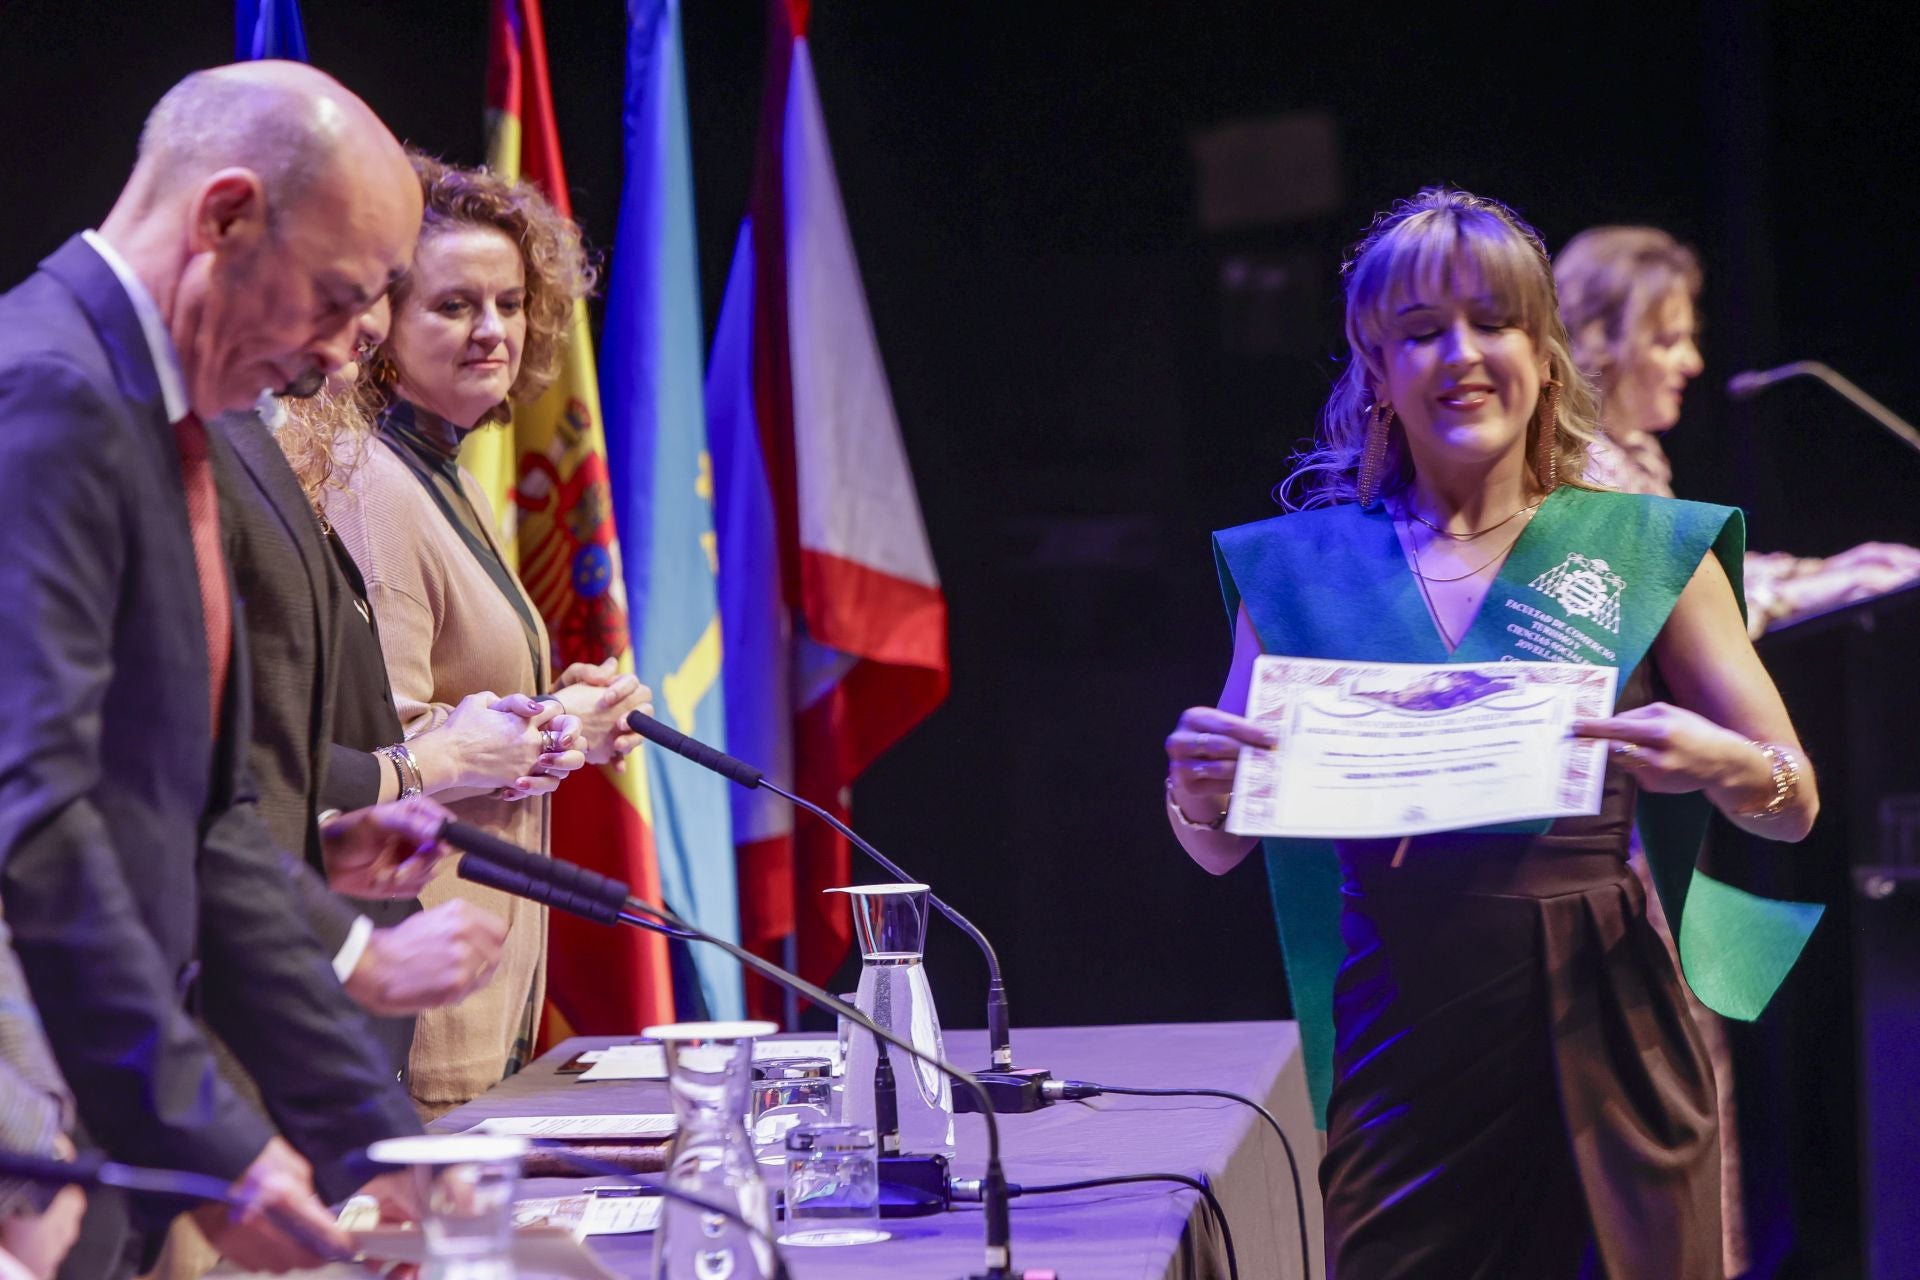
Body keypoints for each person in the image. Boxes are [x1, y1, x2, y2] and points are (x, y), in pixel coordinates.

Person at [1164, 188, 1821, 1278]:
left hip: (1612, 1025)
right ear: (1376, 371)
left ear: (1546, 353)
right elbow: (1218, 841)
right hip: (1403, 1041)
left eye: (1493, 321)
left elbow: (1795, 801)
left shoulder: (1649, 546)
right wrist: (1193, 788)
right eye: (1420, 333)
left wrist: (1726, 763)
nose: (1460, 355)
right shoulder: (1299, 570)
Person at [0, 62, 441, 1278]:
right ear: (226, 215)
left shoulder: (156, 411)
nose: (345, 356)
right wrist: (214, 1142)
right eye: (339, 300)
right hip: (45, 1136)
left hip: (114, 1131)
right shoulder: (46, 394)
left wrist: (380, 1144)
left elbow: (211, 825)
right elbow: (35, 820)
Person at [326, 155, 648, 1117]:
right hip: (419, 978)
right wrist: (551, 729)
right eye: (455, 305)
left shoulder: (450, 475)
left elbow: (478, 723)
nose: (493, 330)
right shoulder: (368, 478)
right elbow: (390, 750)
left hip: (483, 971)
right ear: (381, 323)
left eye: (510, 303)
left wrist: (568, 723)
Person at [1556, 226, 1920, 634]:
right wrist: (1805, 595)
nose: (1693, 362)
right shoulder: (1579, 466)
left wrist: (1830, 569)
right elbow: (1650, 617)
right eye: (1668, 340)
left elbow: (1693, 574)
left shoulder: (1636, 452)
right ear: (1598, 339)